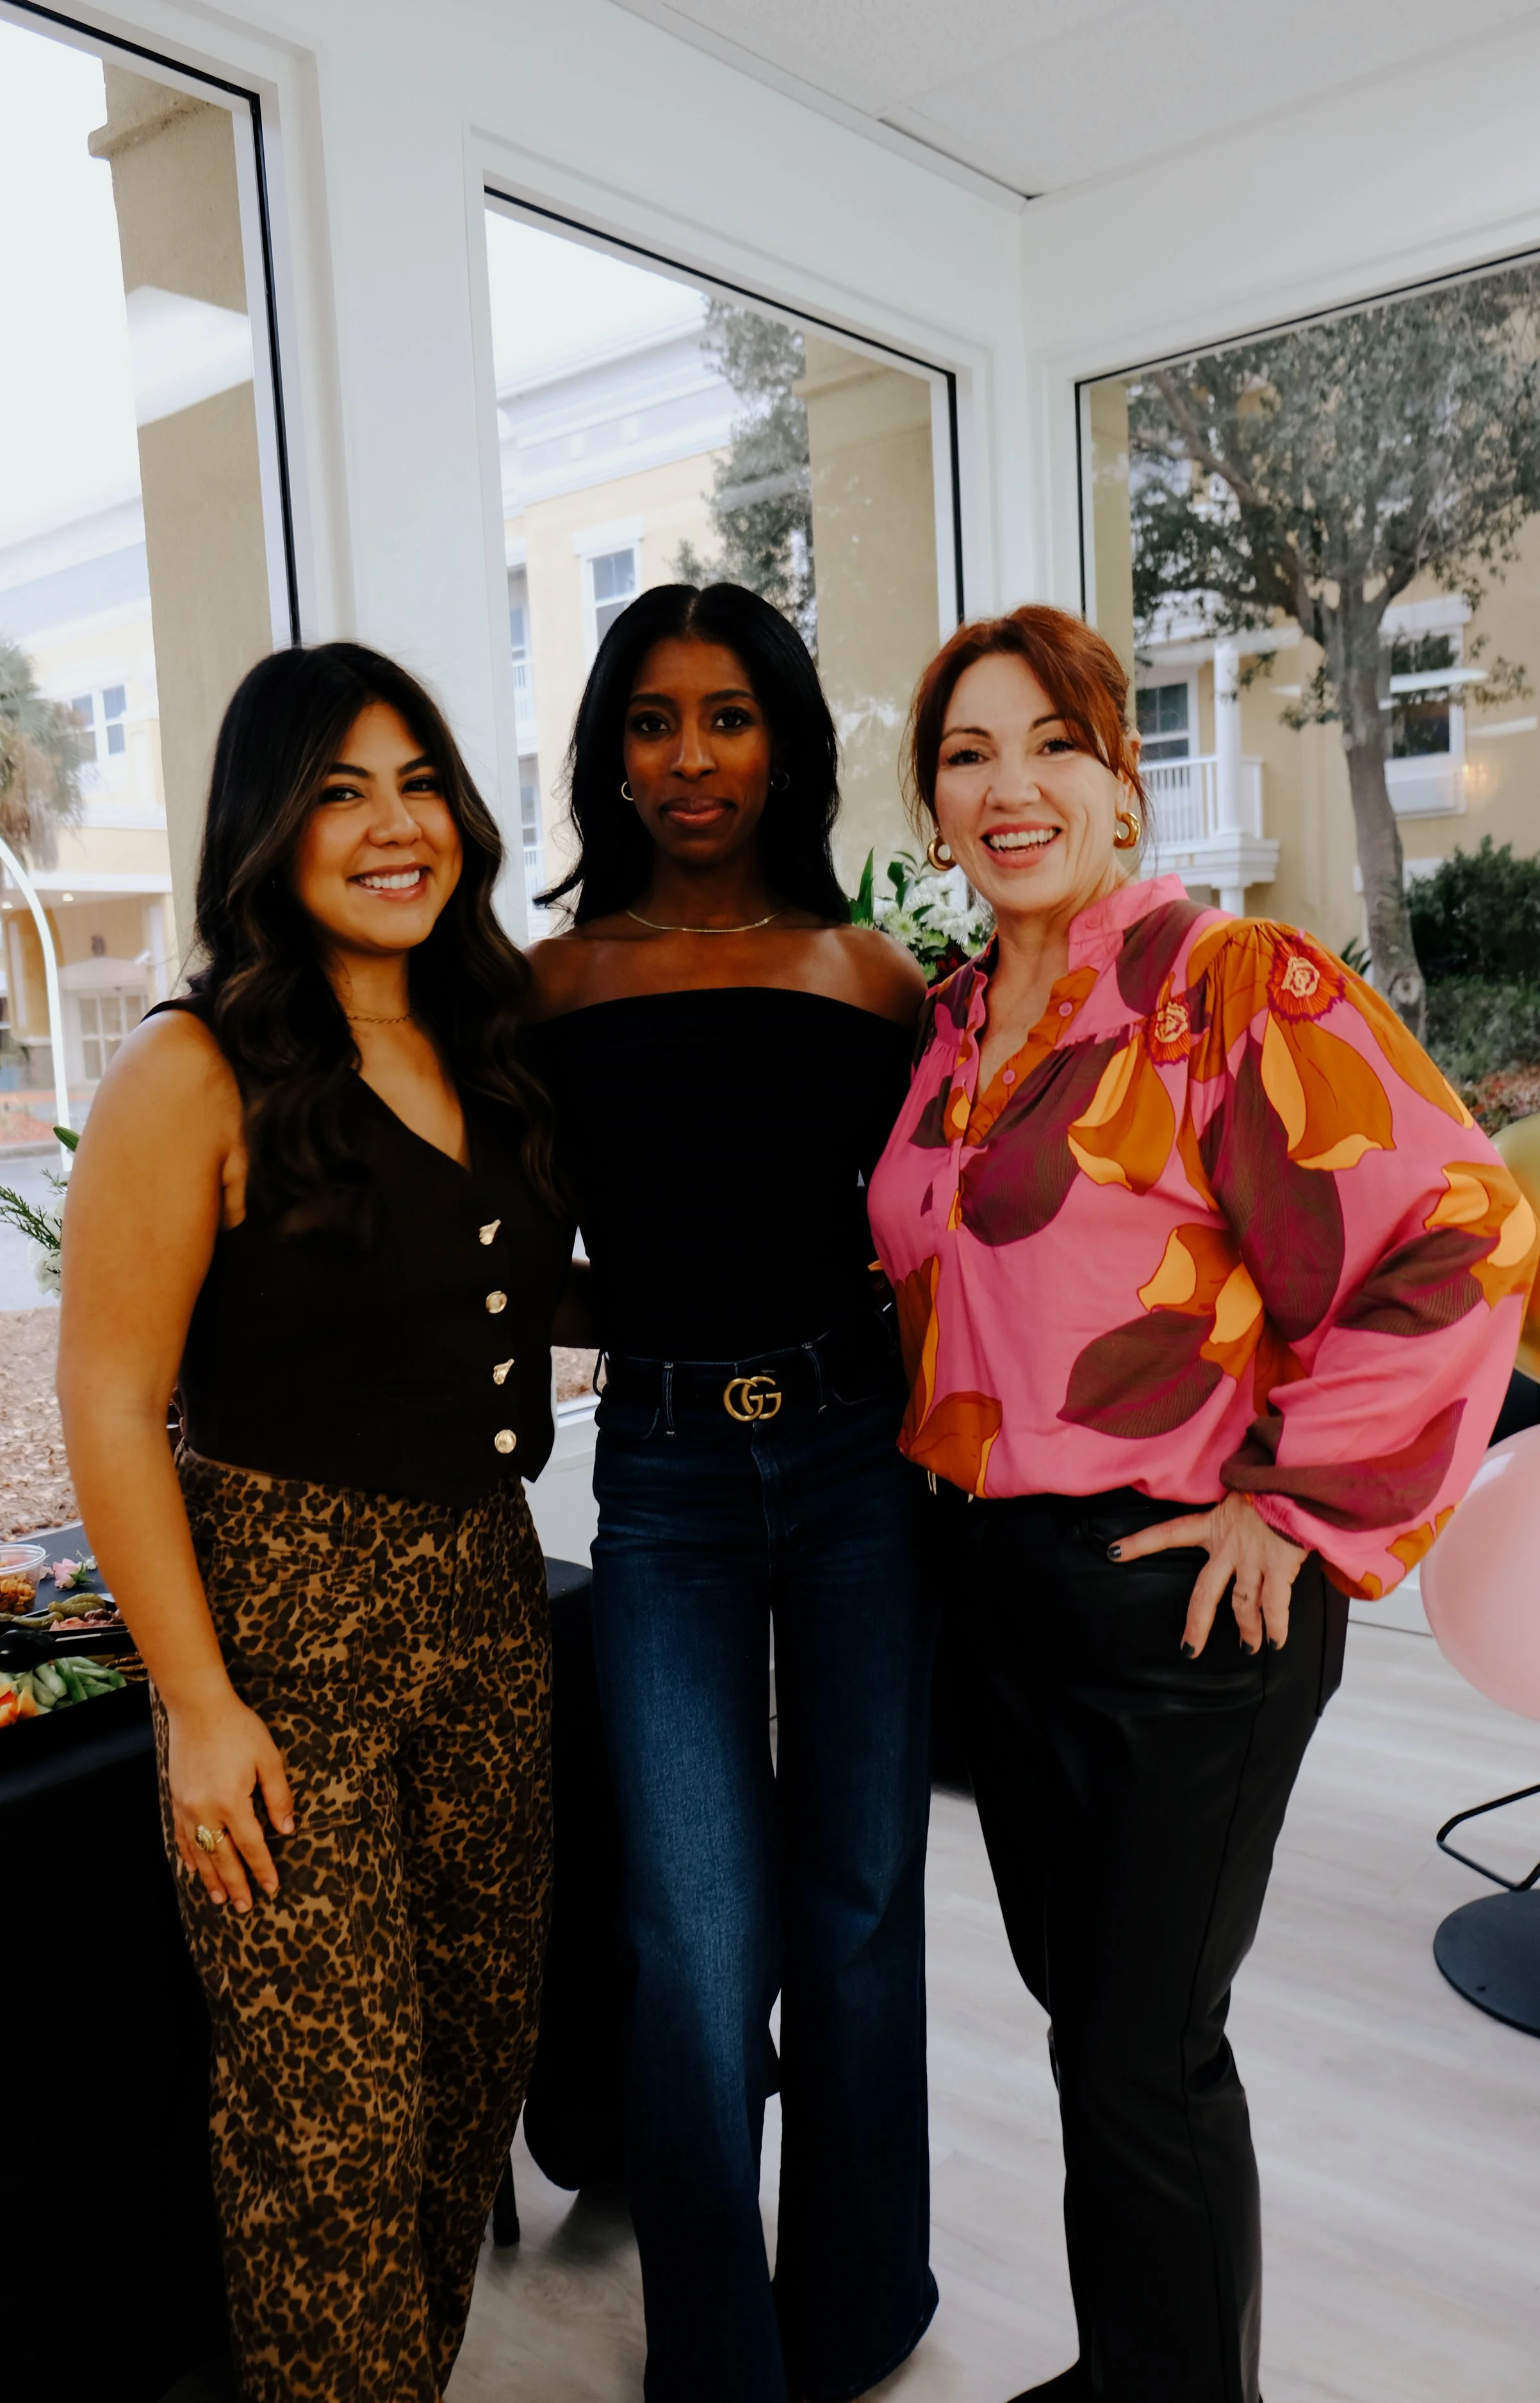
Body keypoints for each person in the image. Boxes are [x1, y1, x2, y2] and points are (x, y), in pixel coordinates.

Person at [867, 605, 1537, 2403]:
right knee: (1090, 2027)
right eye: (966, 754)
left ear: (1123, 782)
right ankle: (1133, 2370)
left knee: (1145, 2052)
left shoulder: (1226, 985)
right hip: (995, 1586)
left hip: (1186, 1598)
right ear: (934, 807)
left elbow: (1462, 1228)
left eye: (1053, 743)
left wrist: (1296, 1502)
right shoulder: (949, 1027)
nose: (1010, 785)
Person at [57, 644, 571, 2403]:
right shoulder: (189, 1069)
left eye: (419, 783)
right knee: (328, 2123)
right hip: (282, 1630)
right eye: (341, 792)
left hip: (487, 1600)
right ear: (267, 829)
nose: (392, 826)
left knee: (471, 2066)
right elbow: (111, 1403)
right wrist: (197, 1705)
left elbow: (491, 1293)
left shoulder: (487, 1035)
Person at [525, 581, 938, 2403]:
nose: (689, 758)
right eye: (651, 721)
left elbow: (930, 1244)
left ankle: (859, 2309)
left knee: (859, 1905)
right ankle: (716, 2357)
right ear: (609, 756)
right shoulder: (548, 991)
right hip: (668, 1478)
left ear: (785, 745)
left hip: (858, 1465)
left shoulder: (870, 978)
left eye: (727, 716)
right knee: (694, 1932)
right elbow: (519, 1258)